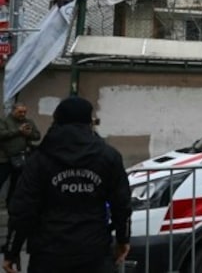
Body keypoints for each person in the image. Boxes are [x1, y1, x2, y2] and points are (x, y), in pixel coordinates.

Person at [2, 96, 132, 273]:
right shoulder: (108, 156)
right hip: (93, 249)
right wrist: (123, 239)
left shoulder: (41, 158)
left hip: (49, 251)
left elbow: (23, 208)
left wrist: (12, 249)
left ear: (57, 120)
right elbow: (121, 203)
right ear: (89, 122)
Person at [0, 103, 41, 205]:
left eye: (24, 112)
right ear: (13, 111)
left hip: (20, 159)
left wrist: (29, 133)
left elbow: (37, 136)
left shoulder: (28, 122)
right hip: (5, 159)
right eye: (20, 112)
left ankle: (11, 204)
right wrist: (18, 131)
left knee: (16, 184)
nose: (22, 114)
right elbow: (2, 134)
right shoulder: (4, 121)